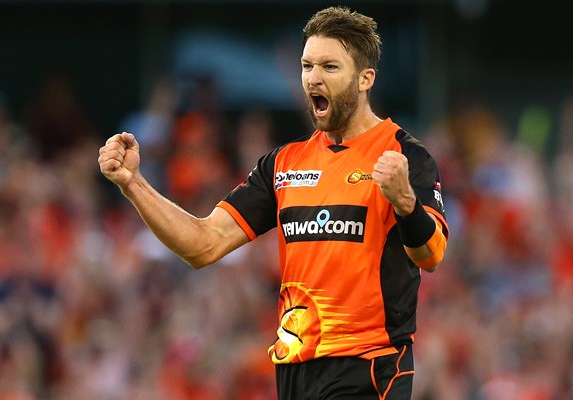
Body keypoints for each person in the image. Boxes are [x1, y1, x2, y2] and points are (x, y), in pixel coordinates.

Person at [98, 6, 448, 399]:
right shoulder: (283, 164)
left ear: (365, 78)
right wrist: (134, 185)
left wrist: (405, 203)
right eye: (307, 66)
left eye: (330, 67)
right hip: (294, 372)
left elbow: (431, 254)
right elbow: (203, 244)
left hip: (369, 367)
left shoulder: (404, 156)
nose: (313, 78)